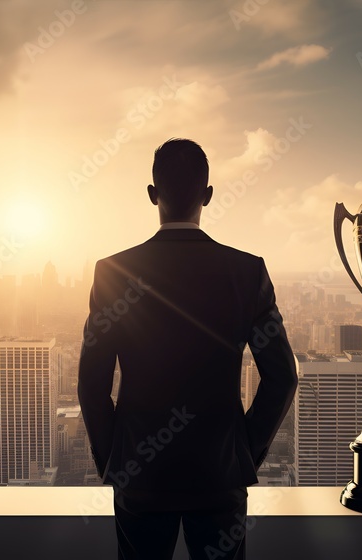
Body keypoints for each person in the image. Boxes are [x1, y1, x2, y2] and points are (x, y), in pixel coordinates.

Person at [78, 138, 298, 559]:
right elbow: (283, 377)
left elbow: (91, 385)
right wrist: (242, 452)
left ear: (152, 194)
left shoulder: (112, 273)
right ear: (208, 195)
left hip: (139, 476)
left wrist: (115, 461)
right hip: (218, 476)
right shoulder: (246, 272)